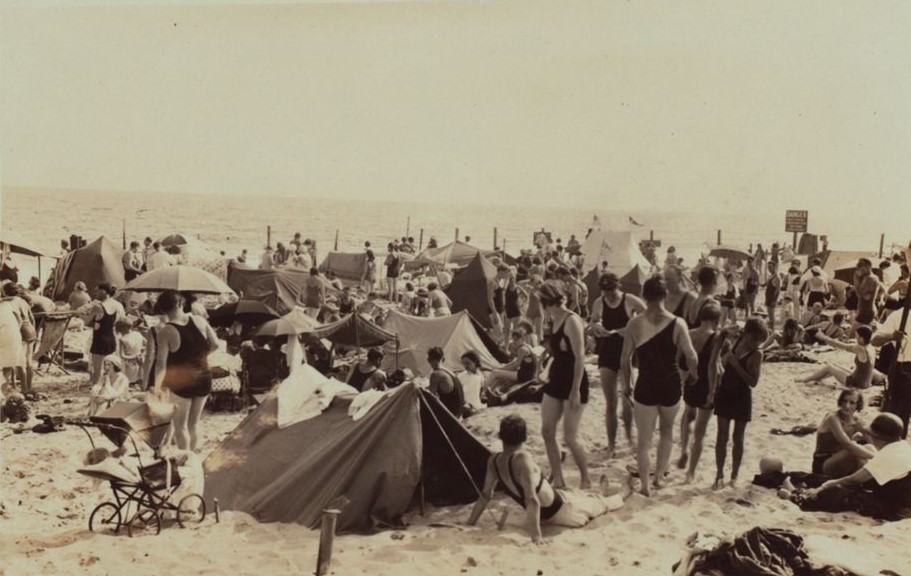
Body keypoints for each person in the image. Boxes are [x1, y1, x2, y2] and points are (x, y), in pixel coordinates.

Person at [467, 415, 627, 543]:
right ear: (524, 438)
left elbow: (485, 495)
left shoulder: (494, 461)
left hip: (545, 513)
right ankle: (625, 492)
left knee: (577, 494)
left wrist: (470, 522)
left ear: (501, 437)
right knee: (603, 504)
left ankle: (600, 492)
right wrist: (536, 537)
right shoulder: (522, 459)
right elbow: (532, 499)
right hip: (563, 512)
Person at [621, 275, 698, 496]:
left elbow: (624, 359)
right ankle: (659, 479)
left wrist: (627, 384)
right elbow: (692, 356)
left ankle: (644, 486)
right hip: (670, 383)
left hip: (645, 383)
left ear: (644, 296)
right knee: (666, 432)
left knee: (644, 440)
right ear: (665, 295)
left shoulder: (634, 323)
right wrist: (692, 375)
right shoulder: (677, 323)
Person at [802, 413, 911, 521]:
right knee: (833, 483)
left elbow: (853, 480)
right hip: (901, 501)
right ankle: (805, 481)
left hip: (894, 509)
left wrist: (825, 486)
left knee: (836, 492)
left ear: (879, 438)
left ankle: (799, 496)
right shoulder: (903, 446)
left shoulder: (886, 455)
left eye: (872, 435)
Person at [537, 282, 591, 489]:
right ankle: (558, 478)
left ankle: (585, 478)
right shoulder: (553, 319)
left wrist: (575, 390)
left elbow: (580, 357)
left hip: (573, 380)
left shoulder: (571, 320)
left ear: (548, 302)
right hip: (556, 377)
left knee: (570, 436)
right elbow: (558, 350)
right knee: (547, 431)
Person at [152, 290, 220, 452]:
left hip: (181, 381)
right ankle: (194, 459)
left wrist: (157, 387)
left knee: (180, 426)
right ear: (180, 304)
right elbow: (216, 344)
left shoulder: (165, 331)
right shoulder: (200, 321)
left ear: (163, 309)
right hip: (203, 377)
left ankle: (185, 459)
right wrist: (200, 356)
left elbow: (161, 364)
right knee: (194, 423)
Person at [589, 272, 645, 457]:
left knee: (627, 398)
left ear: (618, 286)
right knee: (610, 401)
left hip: (627, 351)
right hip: (607, 350)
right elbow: (593, 321)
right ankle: (612, 444)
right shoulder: (599, 302)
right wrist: (595, 327)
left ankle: (629, 437)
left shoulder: (630, 300)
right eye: (605, 291)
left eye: (611, 290)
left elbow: (649, 317)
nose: (608, 295)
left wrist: (630, 329)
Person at [713, 317, 769, 489]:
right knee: (721, 436)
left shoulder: (757, 354)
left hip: (742, 396)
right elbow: (718, 335)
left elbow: (753, 382)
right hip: (725, 393)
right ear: (746, 334)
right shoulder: (734, 342)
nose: (757, 344)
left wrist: (736, 364)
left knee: (738, 437)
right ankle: (719, 474)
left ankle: (734, 475)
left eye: (761, 341)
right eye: (755, 339)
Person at [678, 303, 726, 483]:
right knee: (700, 432)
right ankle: (690, 472)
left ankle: (683, 449)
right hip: (706, 383)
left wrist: (685, 377)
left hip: (692, 380)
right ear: (716, 320)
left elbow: (680, 360)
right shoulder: (716, 337)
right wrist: (712, 393)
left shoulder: (689, 334)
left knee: (688, 415)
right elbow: (712, 365)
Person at [812, 389, 871, 477]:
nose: (847, 406)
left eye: (852, 403)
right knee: (854, 451)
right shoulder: (832, 417)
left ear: (857, 405)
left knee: (868, 447)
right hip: (824, 463)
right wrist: (875, 457)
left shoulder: (857, 421)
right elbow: (846, 443)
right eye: (844, 401)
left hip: (841, 461)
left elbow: (872, 440)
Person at [797, 326, 876, 389]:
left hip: (857, 384)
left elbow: (839, 345)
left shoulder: (860, 349)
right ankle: (816, 378)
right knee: (835, 365)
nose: (856, 339)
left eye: (857, 337)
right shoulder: (871, 348)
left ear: (861, 338)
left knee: (829, 367)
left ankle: (806, 380)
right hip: (866, 383)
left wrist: (822, 337)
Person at [872, 310, 911, 438]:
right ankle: (895, 444)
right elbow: (875, 340)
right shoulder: (900, 315)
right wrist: (892, 336)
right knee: (899, 414)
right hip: (904, 368)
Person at [87, 283, 126, 388]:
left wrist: (79, 314)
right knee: (110, 367)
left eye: (97, 290)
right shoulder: (118, 305)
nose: (95, 293)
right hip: (112, 338)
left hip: (99, 339)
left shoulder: (98, 306)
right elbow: (123, 321)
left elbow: (87, 321)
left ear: (104, 291)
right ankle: (110, 387)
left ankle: (96, 389)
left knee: (97, 369)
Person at [487, 329, 537, 394]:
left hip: (524, 376)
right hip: (527, 374)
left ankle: (483, 392)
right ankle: (489, 393)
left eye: (516, 339)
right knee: (498, 375)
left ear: (522, 339)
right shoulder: (526, 346)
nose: (514, 342)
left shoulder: (522, 349)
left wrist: (500, 369)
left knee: (495, 373)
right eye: (513, 340)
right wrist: (502, 368)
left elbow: (515, 366)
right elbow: (514, 362)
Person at [427, 347, 465, 417]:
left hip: (451, 416)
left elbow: (429, 397)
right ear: (443, 359)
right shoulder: (450, 372)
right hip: (459, 414)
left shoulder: (436, 374)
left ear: (429, 360)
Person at [115, 319, 145, 386]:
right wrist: (140, 354)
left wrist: (134, 356)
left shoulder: (122, 339)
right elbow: (146, 345)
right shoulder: (138, 334)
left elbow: (122, 355)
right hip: (139, 362)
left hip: (129, 364)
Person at [854, 258, 879, 326]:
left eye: (861, 266)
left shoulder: (869, 279)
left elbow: (862, 295)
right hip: (867, 310)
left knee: (853, 334)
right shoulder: (873, 277)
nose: (858, 268)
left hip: (865, 311)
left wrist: (856, 279)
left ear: (868, 266)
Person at [765, 260, 783, 331]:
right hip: (768, 296)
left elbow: (777, 290)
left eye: (770, 267)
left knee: (771, 315)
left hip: (772, 298)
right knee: (769, 314)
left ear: (774, 267)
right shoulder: (770, 276)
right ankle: (770, 329)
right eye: (768, 267)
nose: (769, 269)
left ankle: (772, 329)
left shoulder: (777, 277)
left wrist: (774, 300)